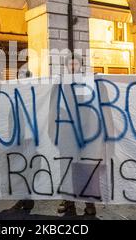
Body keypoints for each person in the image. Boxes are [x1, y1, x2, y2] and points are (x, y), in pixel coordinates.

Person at [57, 54, 97, 216]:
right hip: (66, 133)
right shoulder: (60, 83)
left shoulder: (88, 82)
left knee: (86, 167)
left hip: (85, 133)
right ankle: (67, 199)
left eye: (76, 64)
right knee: (66, 166)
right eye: (70, 64)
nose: (73, 67)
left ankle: (90, 201)